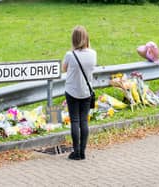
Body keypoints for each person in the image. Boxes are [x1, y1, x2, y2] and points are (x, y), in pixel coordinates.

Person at [62, 25, 97, 160]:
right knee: (84, 121)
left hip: (72, 91)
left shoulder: (70, 55)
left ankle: (76, 152)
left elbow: (64, 69)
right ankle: (82, 151)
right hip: (86, 92)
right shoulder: (93, 54)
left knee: (75, 121)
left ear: (74, 39)